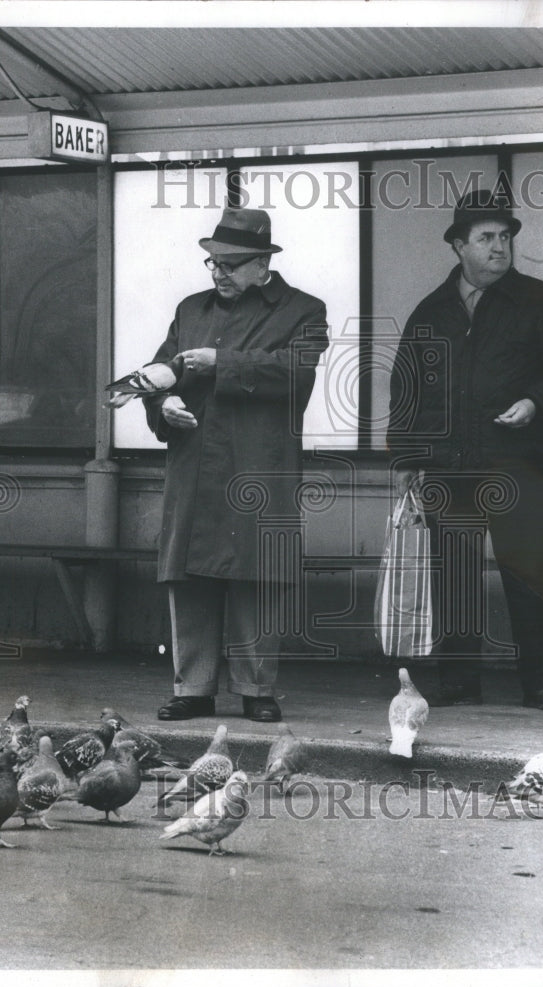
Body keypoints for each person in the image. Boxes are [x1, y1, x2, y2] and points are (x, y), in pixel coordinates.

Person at [144, 207, 328, 722]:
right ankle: (193, 687)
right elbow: (162, 371)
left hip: (258, 466)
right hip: (195, 462)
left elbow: (296, 373)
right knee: (189, 579)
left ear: (262, 263)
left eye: (229, 263)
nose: (218, 273)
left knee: (257, 577)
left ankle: (256, 688)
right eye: (213, 263)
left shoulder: (304, 311)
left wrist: (221, 364)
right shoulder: (189, 310)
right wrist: (163, 406)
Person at [387, 189, 543, 711]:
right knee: (455, 574)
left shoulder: (540, 301)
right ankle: (461, 681)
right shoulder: (430, 311)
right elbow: (406, 389)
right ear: (459, 245)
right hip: (449, 469)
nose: (499, 247)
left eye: (505, 237)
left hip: (518, 464)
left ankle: (541, 684)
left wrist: (534, 401)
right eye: (486, 237)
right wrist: (408, 458)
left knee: (525, 574)